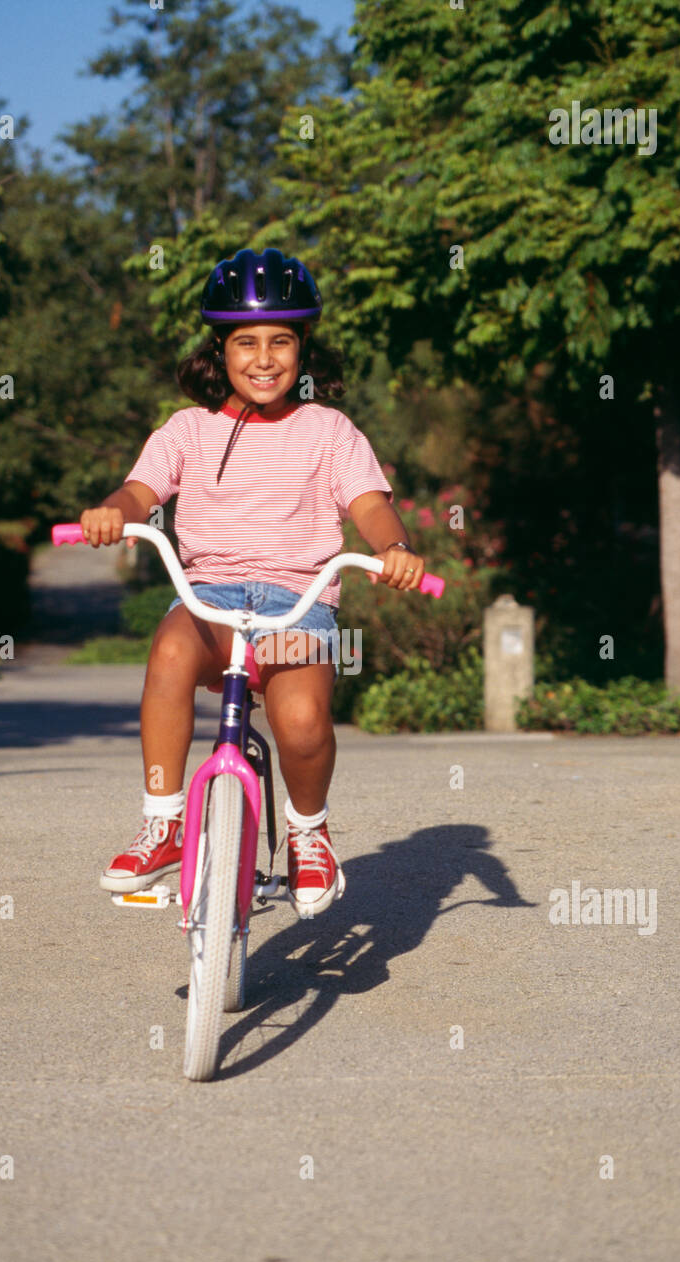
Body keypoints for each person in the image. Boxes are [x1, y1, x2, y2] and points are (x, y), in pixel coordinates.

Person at [81, 247, 425, 918]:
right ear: (220, 348)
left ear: (303, 349)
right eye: (246, 342)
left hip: (297, 606)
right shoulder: (188, 429)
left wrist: (395, 548)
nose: (264, 358)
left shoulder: (328, 431)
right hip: (207, 598)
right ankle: (164, 823)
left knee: (300, 720)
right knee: (171, 653)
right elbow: (137, 491)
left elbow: (370, 505)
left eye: (281, 341)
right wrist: (110, 514)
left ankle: (307, 832)